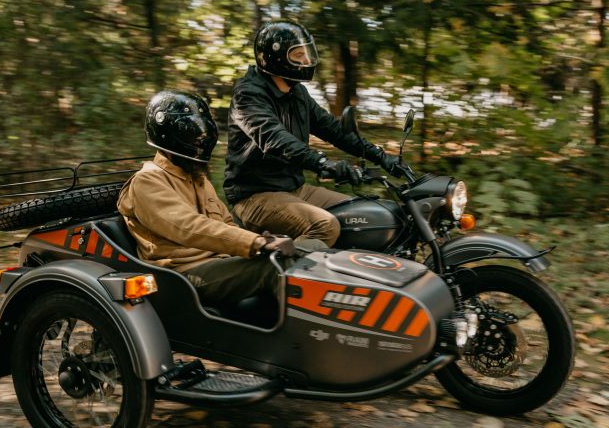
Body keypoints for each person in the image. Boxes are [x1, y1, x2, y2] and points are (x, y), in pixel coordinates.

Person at [224, 20, 402, 247]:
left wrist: (381, 157)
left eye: (308, 53)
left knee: (365, 215)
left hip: (294, 189)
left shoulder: (298, 93)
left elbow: (334, 130)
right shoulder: (248, 95)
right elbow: (274, 138)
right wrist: (322, 162)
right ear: (275, 58)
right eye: (298, 55)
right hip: (254, 197)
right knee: (325, 225)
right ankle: (276, 274)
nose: (307, 61)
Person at [117, 89, 298, 311]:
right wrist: (256, 243)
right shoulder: (148, 181)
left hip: (218, 263)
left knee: (304, 253)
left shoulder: (195, 177)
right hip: (183, 275)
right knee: (276, 267)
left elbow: (226, 224)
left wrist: (262, 241)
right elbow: (189, 227)